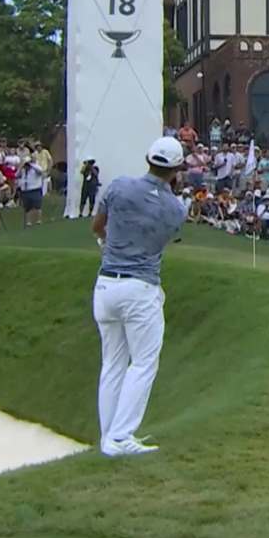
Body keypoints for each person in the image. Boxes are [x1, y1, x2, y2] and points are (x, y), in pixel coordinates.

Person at [91, 136, 188, 458]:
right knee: (143, 363)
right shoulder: (176, 209)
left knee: (113, 363)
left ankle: (109, 437)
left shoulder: (119, 186)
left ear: (148, 159)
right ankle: (120, 437)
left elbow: (98, 226)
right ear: (177, 169)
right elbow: (158, 240)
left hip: (106, 285)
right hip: (140, 288)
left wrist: (109, 243)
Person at [18, 153, 46, 227]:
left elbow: (40, 172)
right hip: (25, 191)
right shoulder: (23, 170)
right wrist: (21, 166)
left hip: (35, 189)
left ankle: (38, 221)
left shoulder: (36, 168)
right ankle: (28, 222)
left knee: (37, 206)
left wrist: (31, 165)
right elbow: (16, 175)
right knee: (27, 207)